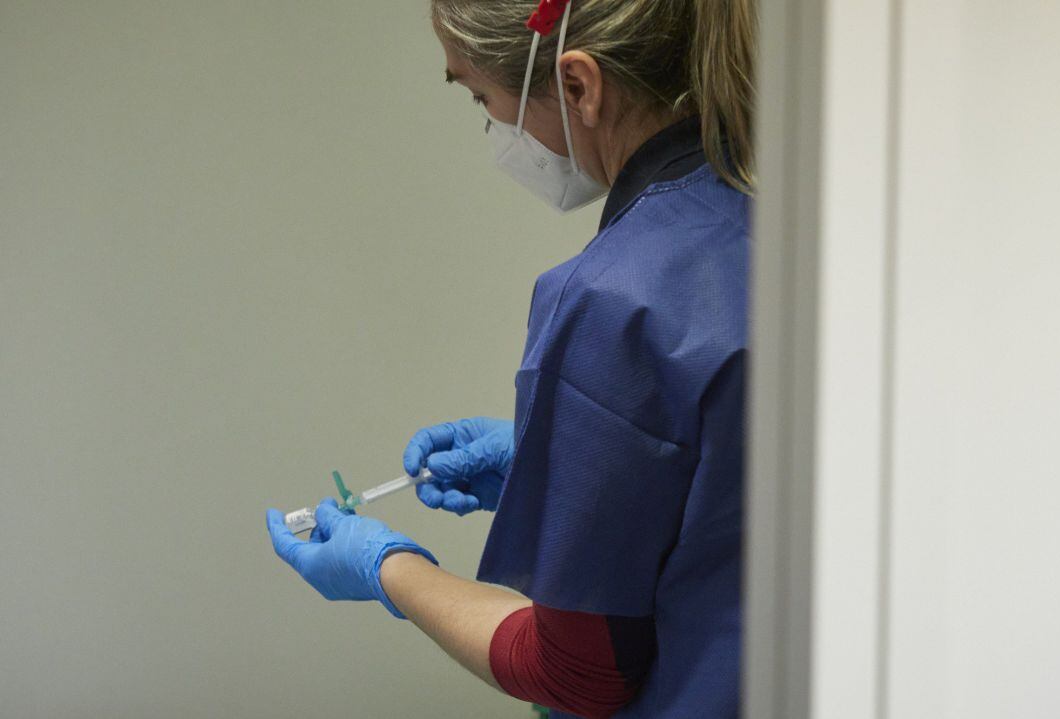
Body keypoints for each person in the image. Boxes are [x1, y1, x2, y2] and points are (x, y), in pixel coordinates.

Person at [266, 0, 756, 716]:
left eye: (481, 97)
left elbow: (577, 673)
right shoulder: (781, 217)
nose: (494, 129)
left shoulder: (612, 300)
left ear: (579, 86)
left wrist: (388, 568)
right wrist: (556, 468)